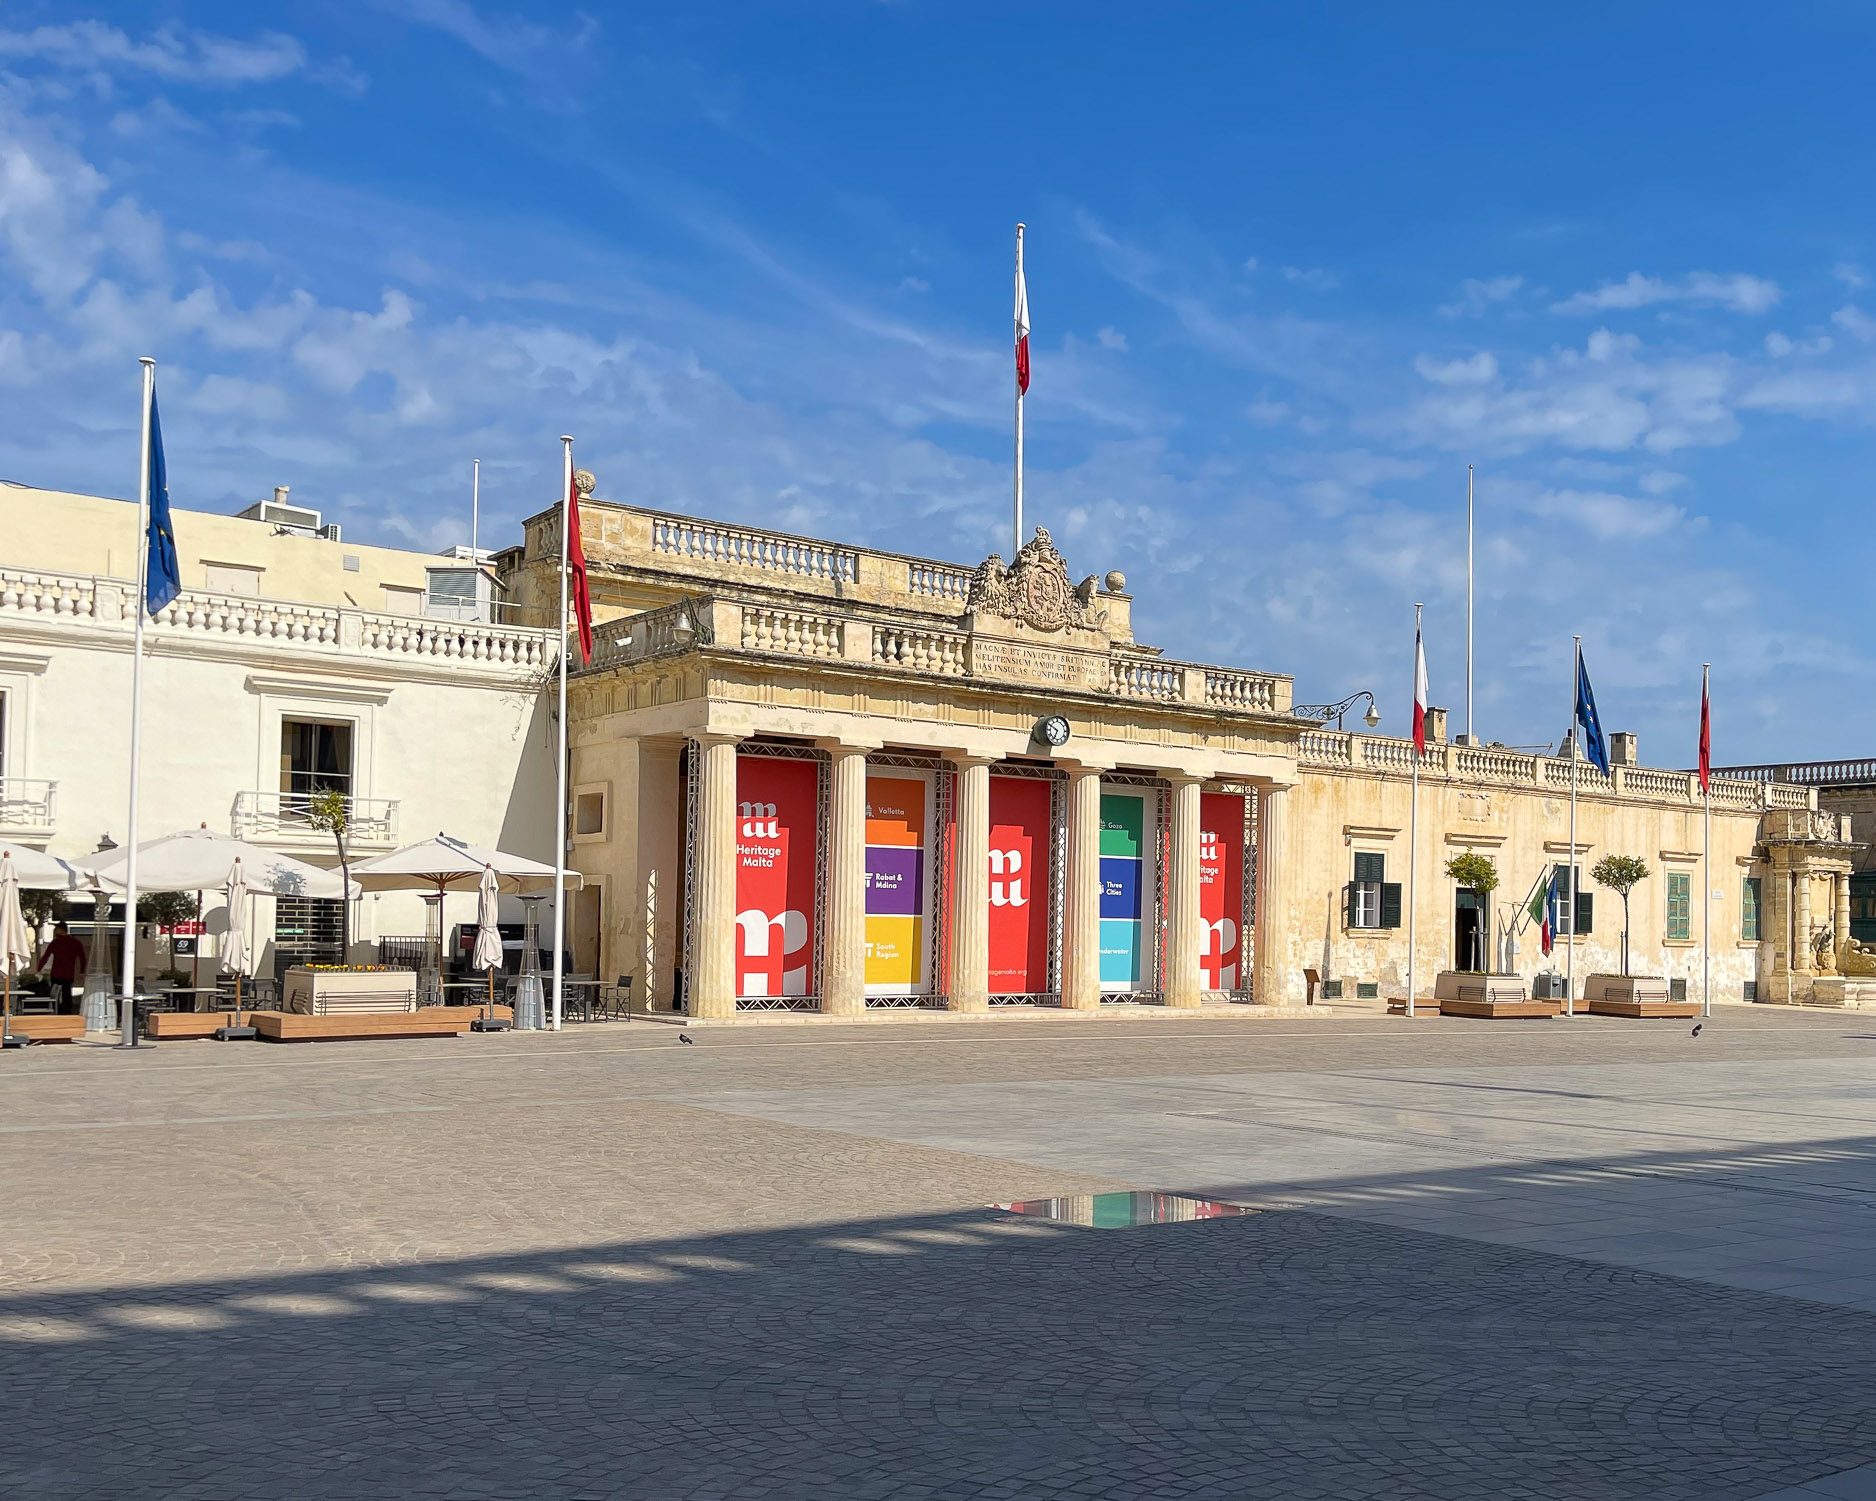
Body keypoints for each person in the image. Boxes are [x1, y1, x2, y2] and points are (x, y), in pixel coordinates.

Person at [36, 922, 87, 1016]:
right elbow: (82, 958)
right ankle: (67, 1013)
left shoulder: (56, 942)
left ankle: (57, 1011)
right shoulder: (75, 943)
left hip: (56, 973)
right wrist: (82, 972)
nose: (55, 931)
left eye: (57, 929)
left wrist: (39, 969)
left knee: (55, 995)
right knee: (67, 994)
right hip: (68, 974)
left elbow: (45, 956)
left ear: (61, 930)